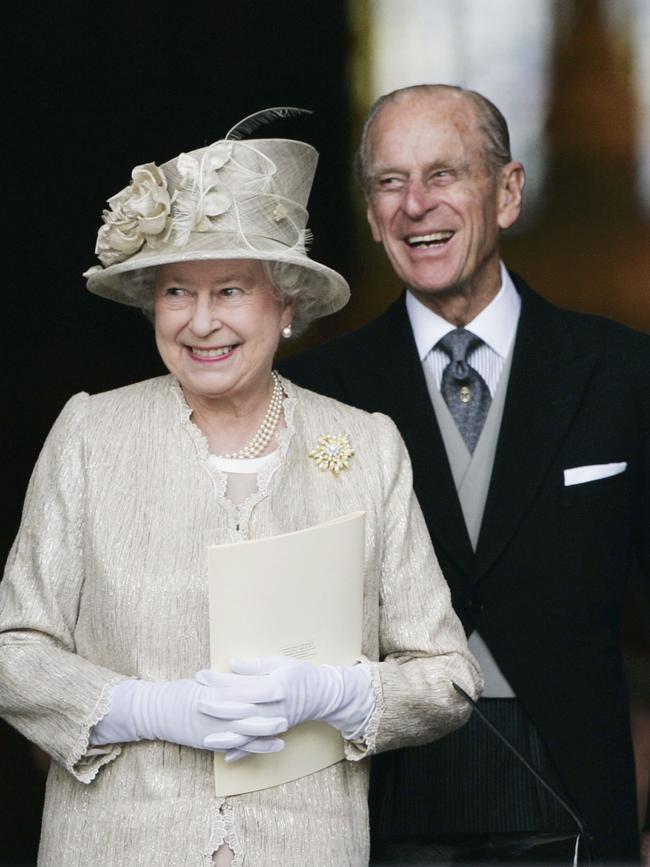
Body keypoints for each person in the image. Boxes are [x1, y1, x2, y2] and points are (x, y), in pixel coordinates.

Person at [0, 110, 482, 867]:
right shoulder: (91, 436)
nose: (200, 322)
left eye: (230, 289)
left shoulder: (366, 446)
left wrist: (336, 695)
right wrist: (146, 707)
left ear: (286, 306)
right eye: (175, 293)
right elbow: (13, 649)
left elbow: (448, 678)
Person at [280, 84, 650, 864]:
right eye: (389, 181)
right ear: (372, 212)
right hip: (375, 800)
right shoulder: (311, 392)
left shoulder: (624, 373)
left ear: (507, 191)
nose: (415, 204)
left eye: (442, 174)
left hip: (579, 795)